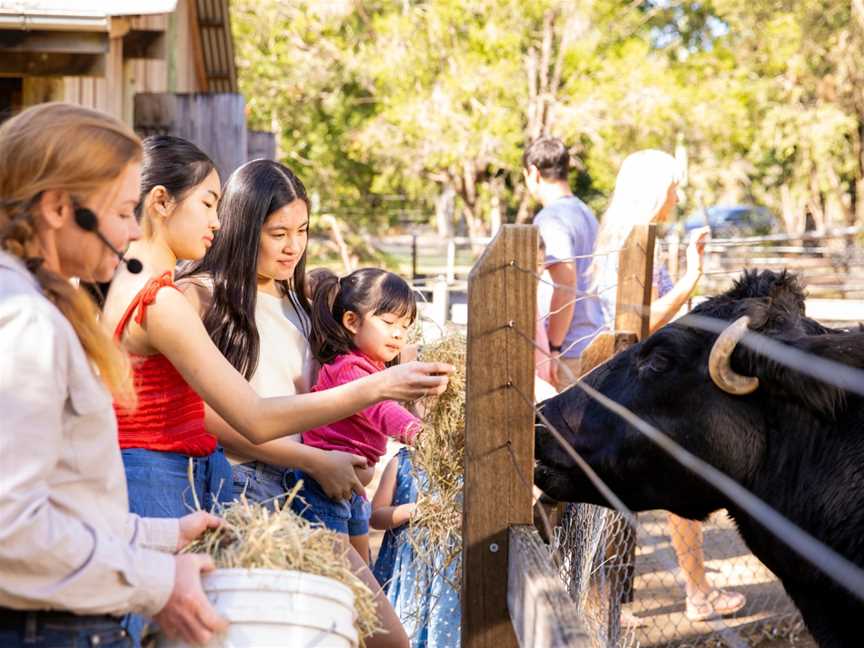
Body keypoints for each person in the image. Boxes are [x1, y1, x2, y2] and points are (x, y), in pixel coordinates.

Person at [101, 139, 451, 644]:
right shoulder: (176, 298)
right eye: (207, 204)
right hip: (223, 486)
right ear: (160, 203)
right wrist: (374, 393)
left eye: (302, 232)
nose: (215, 222)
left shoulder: (296, 301)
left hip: (239, 483)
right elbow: (244, 416)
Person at [0, 102, 226, 647]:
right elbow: (11, 526)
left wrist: (161, 535)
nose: (130, 233)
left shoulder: (36, 305)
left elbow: (63, 500)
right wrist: (156, 583)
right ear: (59, 208)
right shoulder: (25, 321)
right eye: (124, 212)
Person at [588, 149, 745, 623]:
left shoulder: (643, 239)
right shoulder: (630, 243)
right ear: (657, 191)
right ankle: (681, 595)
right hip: (632, 382)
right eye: (674, 186)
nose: (679, 195)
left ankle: (677, 594)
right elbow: (637, 323)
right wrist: (690, 280)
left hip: (638, 378)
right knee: (676, 479)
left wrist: (683, 275)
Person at [297, 267, 422, 564]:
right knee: (347, 573)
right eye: (389, 322)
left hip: (350, 491)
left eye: (405, 326)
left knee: (361, 570)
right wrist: (419, 433)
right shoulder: (348, 368)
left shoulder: (372, 367)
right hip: (325, 487)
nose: (398, 333)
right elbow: (380, 409)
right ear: (352, 321)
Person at [523, 136, 604, 389]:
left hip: (567, 349)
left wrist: (554, 348)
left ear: (534, 173)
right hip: (592, 336)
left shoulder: (550, 219)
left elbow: (565, 282)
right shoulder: (585, 212)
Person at [371, 447, 461, 647]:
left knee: (445, 630)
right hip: (407, 571)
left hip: (450, 572)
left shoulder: (474, 464)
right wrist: (410, 511)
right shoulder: (402, 461)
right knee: (404, 627)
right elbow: (375, 517)